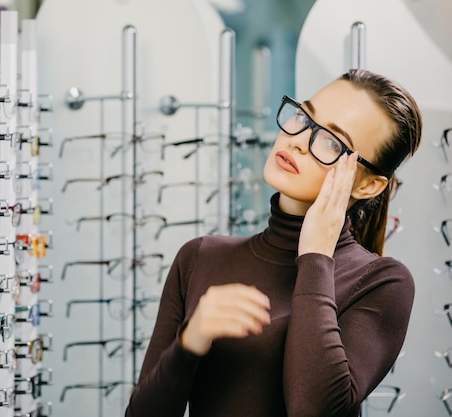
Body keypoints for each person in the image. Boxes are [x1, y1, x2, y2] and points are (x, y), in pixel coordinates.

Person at [125, 68, 422, 417]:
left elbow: (312, 410)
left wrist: (315, 256)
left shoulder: (383, 283)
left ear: (367, 186)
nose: (297, 140)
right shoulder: (199, 257)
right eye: (303, 116)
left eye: (330, 140)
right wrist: (190, 342)